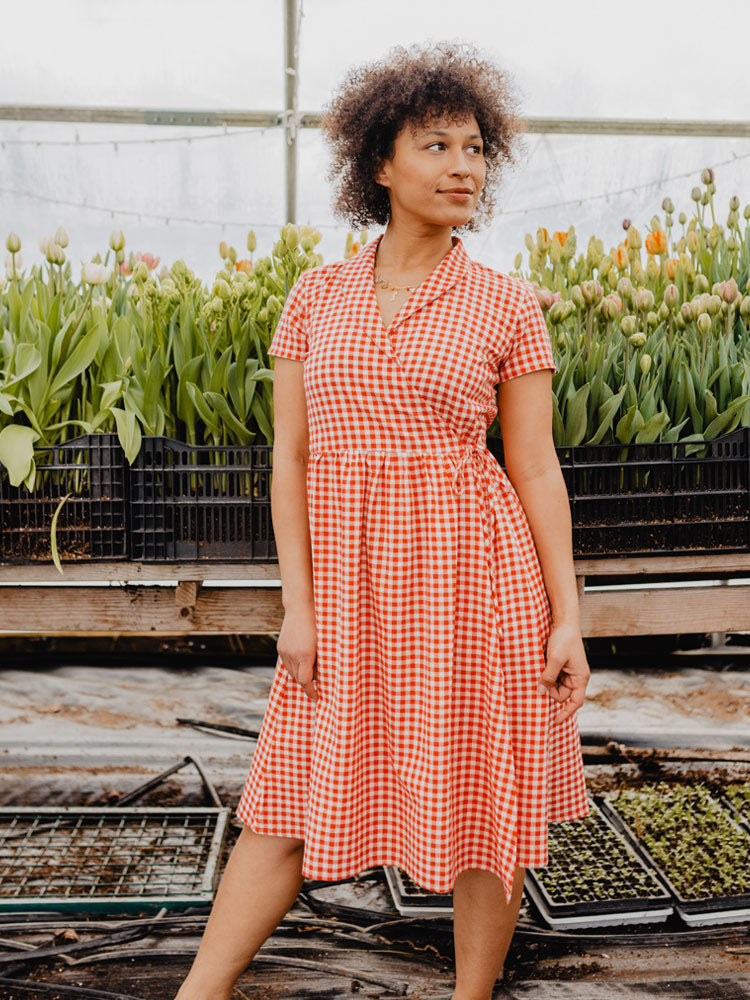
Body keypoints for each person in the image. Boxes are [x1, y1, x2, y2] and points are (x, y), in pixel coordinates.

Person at [175, 40, 590, 1000]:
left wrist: (568, 615)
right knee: (285, 794)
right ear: (379, 164)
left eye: (477, 148)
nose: (463, 167)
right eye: (437, 146)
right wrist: (299, 605)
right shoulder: (315, 295)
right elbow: (292, 459)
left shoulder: (505, 304)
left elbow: (534, 466)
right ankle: (200, 992)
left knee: (485, 799)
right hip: (349, 588)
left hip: (471, 582)